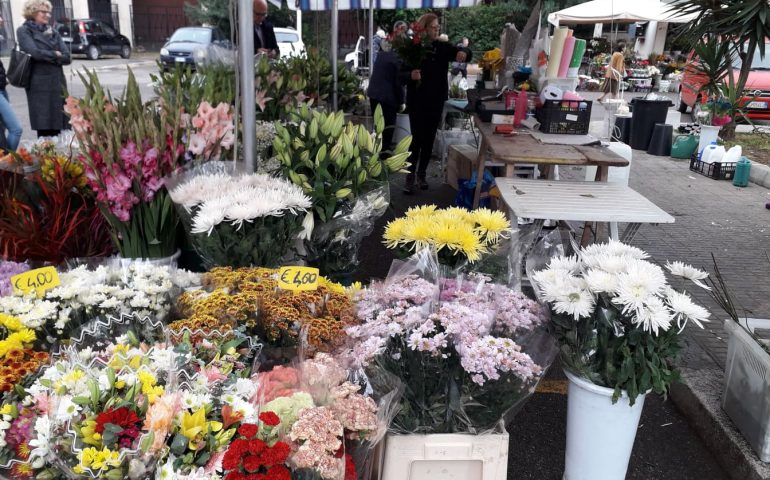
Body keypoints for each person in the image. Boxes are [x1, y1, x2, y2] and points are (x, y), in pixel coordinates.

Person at [403, 13, 470, 193]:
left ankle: (422, 174)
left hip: (435, 100)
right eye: (433, 27)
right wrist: (410, 75)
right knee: (416, 139)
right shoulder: (412, 47)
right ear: (423, 28)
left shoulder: (441, 46)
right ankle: (409, 176)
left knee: (429, 138)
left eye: (438, 27)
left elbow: (461, 51)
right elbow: (400, 74)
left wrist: (464, 53)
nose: (437, 30)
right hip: (417, 100)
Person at [17, 0, 70, 138]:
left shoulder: (53, 32)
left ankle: (58, 158)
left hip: (58, 84)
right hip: (39, 86)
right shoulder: (24, 31)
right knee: (45, 127)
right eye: (43, 11)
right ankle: (46, 158)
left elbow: (67, 57)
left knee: (60, 127)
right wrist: (55, 54)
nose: (47, 15)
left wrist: (49, 55)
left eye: (48, 12)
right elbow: (34, 52)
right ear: (32, 12)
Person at [367, 30, 406, 153]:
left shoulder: (382, 54)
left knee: (378, 124)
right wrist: (402, 101)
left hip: (374, 94)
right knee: (388, 127)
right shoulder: (398, 59)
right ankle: (384, 153)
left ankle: (376, 150)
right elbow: (398, 82)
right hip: (387, 97)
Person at [0, 15, 22, 150]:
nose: (2, 19)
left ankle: (5, 163)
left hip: (2, 88)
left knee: (3, 132)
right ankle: (7, 160)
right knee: (16, 129)